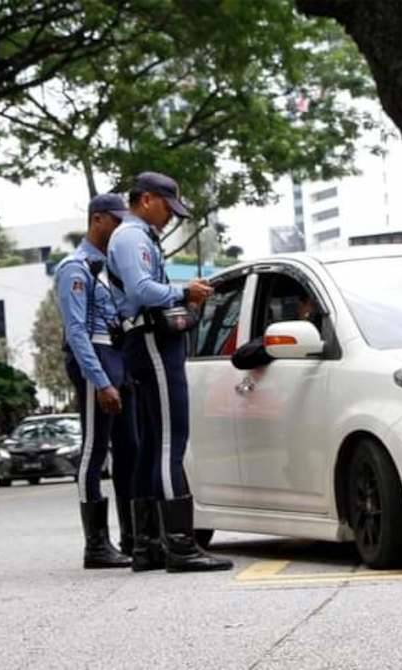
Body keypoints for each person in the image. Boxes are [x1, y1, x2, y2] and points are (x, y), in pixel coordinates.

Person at [107, 171, 233, 573]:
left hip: (148, 341)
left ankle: (148, 545)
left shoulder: (136, 236)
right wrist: (184, 292)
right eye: (167, 207)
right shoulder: (132, 237)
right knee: (169, 441)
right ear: (146, 200)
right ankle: (180, 546)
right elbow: (141, 290)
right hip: (152, 340)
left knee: (152, 444)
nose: (170, 217)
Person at [56, 192, 139, 569]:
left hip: (119, 358)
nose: (121, 227)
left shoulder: (109, 266)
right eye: (116, 220)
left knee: (129, 449)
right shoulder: (75, 268)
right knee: (94, 451)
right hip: (97, 361)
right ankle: (96, 545)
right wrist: (101, 381)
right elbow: (76, 331)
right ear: (97, 220)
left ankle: (133, 536)